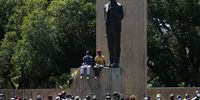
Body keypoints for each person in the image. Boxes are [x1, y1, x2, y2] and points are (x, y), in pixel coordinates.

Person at [104, 0, 124, 67]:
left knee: (116, 46)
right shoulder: (106, 6)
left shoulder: (119, 6)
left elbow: (121, 17)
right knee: (110, 46)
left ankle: (116, 62)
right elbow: (105, 19)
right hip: (109, 29)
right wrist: (106, 31)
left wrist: (114, 12)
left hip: (116, 29)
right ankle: (111, 61)